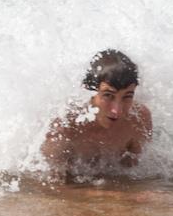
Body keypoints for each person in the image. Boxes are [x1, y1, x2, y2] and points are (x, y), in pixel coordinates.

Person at [41, 49, 152, 179]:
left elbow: (131, 175)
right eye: (108, 95)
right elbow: (49, 186)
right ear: (89, 91)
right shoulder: (65, 126)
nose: (117, 110)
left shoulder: (138, 120)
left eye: (127, 96)